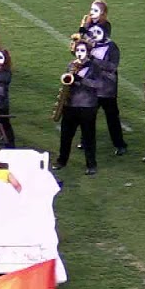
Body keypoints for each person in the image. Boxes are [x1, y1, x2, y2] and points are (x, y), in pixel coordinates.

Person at [55, 41, 102, 175]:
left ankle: (91, 165)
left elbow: (99, 84)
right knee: (65, 136)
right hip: (70, 105)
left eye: (82, 50)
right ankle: (61, 161)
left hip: (87, 106)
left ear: (87, 52)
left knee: (88, 137)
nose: (79, 53)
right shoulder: (71, 65)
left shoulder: (94, 66)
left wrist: (81, 80)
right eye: (78, 51)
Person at [87, 22, 127, 156]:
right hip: (92, 87)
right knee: (88, 117)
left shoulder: (112, 47)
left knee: (112, 118)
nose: (94, 36)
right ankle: (86, 141)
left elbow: (112, 67)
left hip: (106, 90)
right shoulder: (89, 45)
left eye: (98, 32)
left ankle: (120, 144)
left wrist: (93, 59)